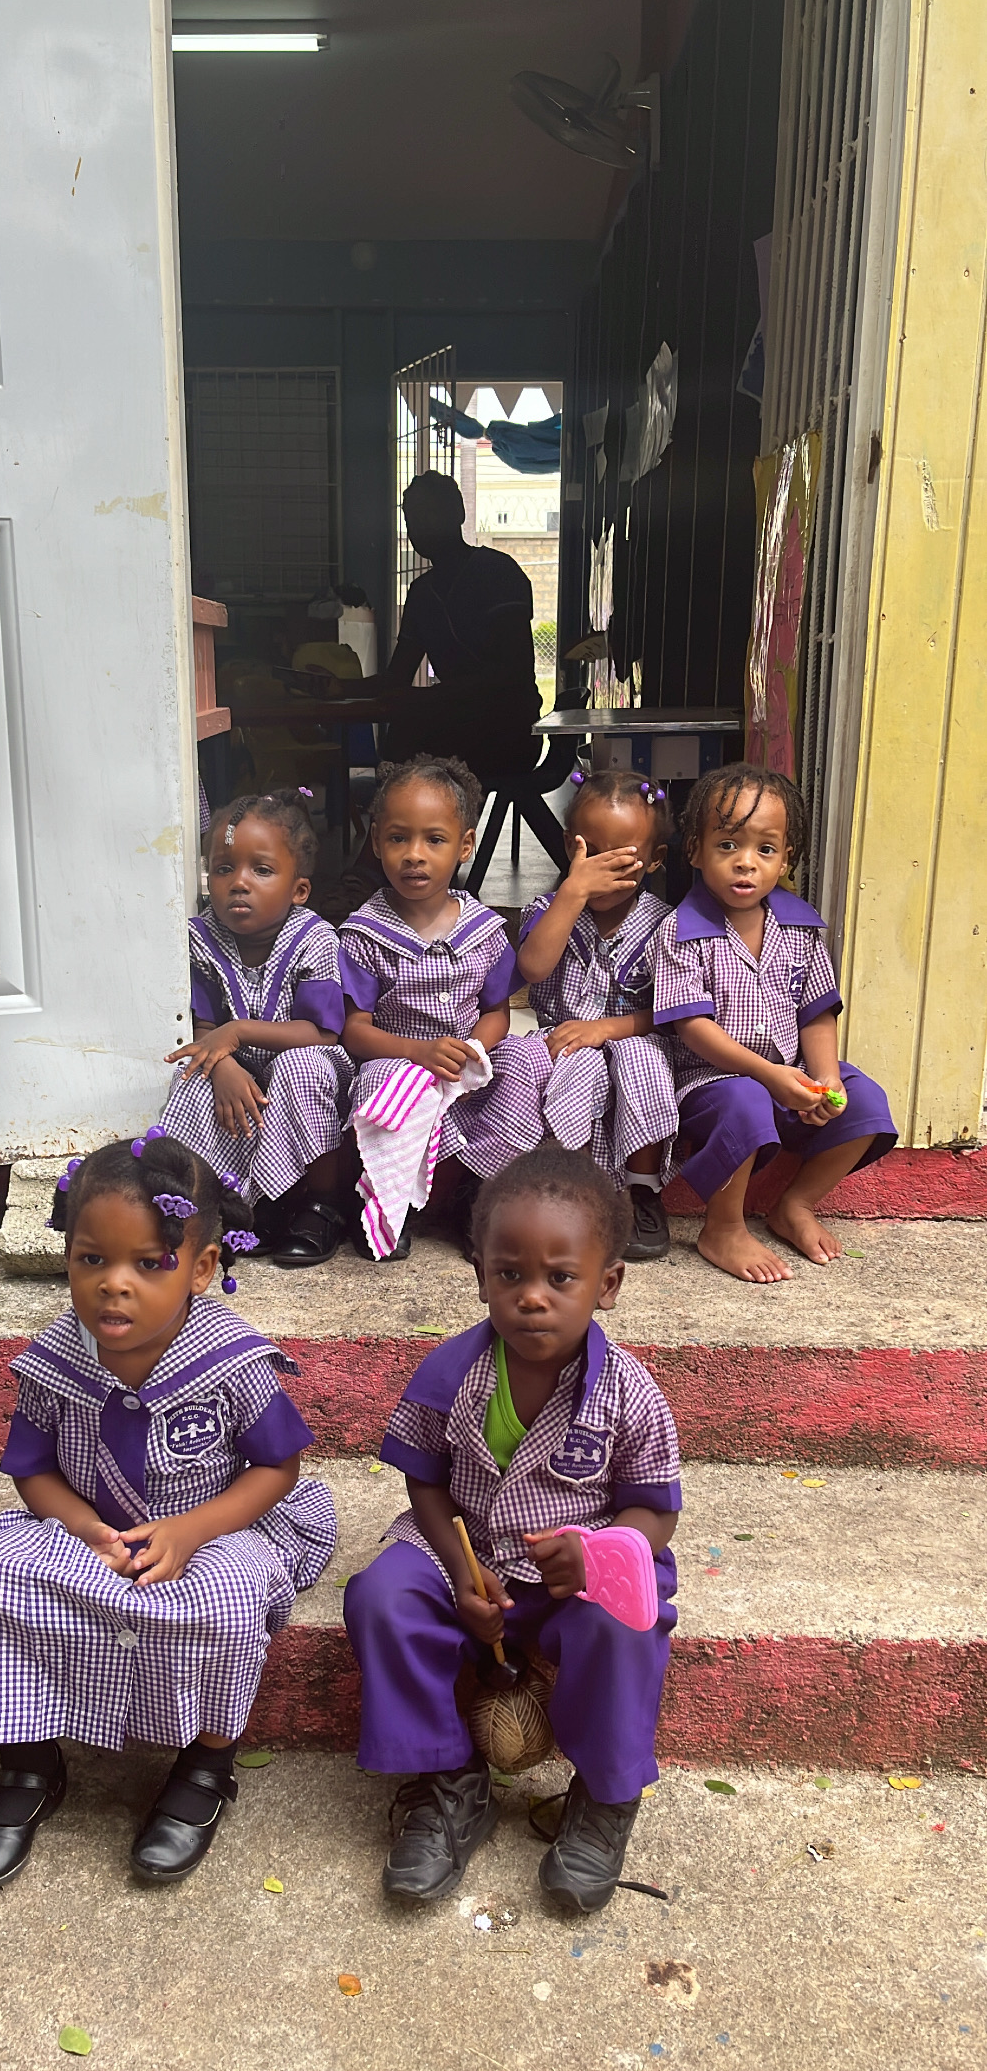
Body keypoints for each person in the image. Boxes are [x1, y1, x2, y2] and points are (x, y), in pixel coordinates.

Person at [0, 1132, 337, 1891]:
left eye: (150, 1264)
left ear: (202, 1267)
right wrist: (82, 1528)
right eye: (93, 1260)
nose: (115, 1286)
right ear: (68, 1256)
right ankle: (28, 1767)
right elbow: (34, 1472)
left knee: (225, 1603)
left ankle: (207, 1765)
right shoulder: (55, 1357)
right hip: (85, 1526)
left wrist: (189, 1530)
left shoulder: (232, 1359)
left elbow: (278, 1468)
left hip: (211, 1527)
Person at [343, 1144, 680, 1913]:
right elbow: (424, 1478)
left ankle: (602, 1798)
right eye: (510, 1275)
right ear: (481, 1276)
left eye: (561, 1278)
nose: (533, 1297)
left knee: (628, 1618)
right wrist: (459, 1572)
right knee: (380, 1598)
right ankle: (448, 1782)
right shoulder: (448, 1373)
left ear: (609, 1284)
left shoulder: (629, 1394)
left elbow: (654, 1508)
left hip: (577, 1571)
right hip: (465, 1546)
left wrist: (598, 1556)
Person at [653, 764, 897, 1282]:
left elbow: (817, 1013)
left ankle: (796, 1204)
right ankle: (722, 1226)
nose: (746, 864)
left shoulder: (800, 926)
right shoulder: (679, 930)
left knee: (866, 1099)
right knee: (745, 1098)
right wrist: (768, 1077)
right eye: (727, 846)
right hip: (711, 1085)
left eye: (765, 850)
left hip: (790, 1075)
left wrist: (825, 1076)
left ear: (786, 858)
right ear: (694, 850)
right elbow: (693, 1028)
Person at [340, 756, 546, 1258]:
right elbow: (354, 1031)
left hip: (464, 1062)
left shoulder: (484, 931)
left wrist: (478, 1046)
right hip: (398, 1058)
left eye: (434, 840)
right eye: (397, 838)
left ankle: (483, 1197)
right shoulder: (365, 934)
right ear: (375, 842)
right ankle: (393, 1203)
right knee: (381, 1084)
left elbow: (499, 1009)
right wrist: (415, 1052)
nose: (414, 855)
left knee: (524, 1062)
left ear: (465, 846)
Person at [162, 790, 354, 1267]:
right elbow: (207, 1027)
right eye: (224, 869)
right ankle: (230, 1203)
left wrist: (241, 1032)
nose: (239, 883)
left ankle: (319, 1202)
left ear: (298, 889)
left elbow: (323, 1034)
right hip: (237, 1062)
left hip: (308, 1060)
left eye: (261, 871)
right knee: (192, 1078)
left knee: (298, 1069)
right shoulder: (202, 940)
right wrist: (223, 1063)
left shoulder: (313, 938)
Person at [517, 771, 680, 1261]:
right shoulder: (548, 907)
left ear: (655, 860)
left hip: (635, 1036)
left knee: (644, 1065)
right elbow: (533, 966)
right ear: (571, 847)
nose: (603, 871)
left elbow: (672, 1011)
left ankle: (642, 1189)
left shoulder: (666, 923)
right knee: (575, 1068)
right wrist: (573, 893)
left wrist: (609, 1029)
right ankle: (578, 1194)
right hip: (564, 1036)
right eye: (593, 852)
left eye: (623, 857)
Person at [375, 470, 543, 786]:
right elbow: (396, 675)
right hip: (456, 722)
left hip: (507, 731)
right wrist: (341, 688)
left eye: (428, 513)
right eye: (411, 519)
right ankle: (404, 827)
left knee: (407, 745)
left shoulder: (498, 573)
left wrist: (430, 699)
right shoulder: (422, 593)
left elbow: (513, 671)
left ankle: (412, 828)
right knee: (403, 739)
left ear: (459, 514)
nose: (418, 527)